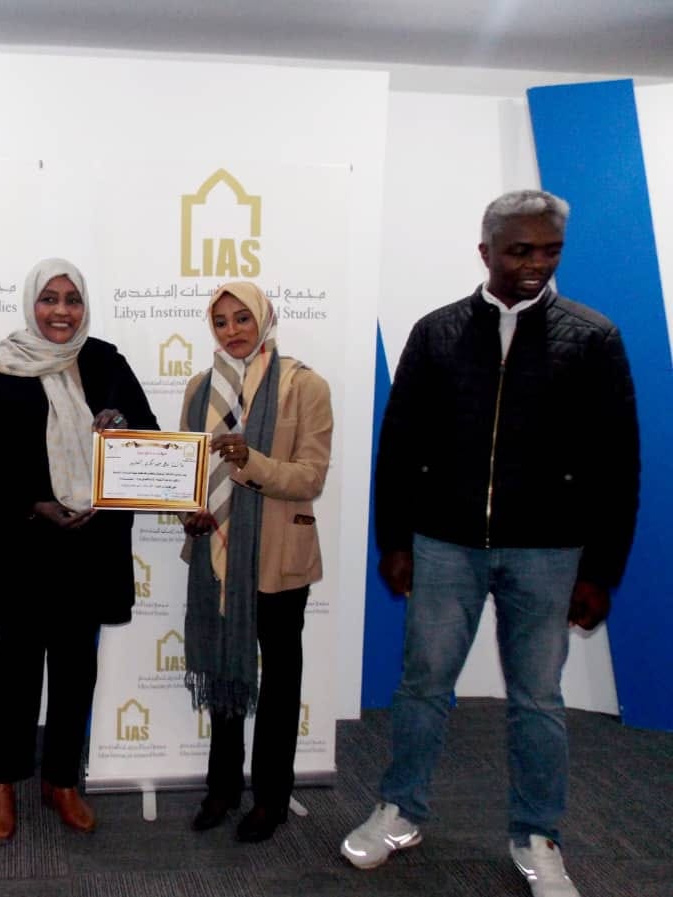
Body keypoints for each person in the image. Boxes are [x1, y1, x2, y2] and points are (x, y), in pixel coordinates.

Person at [341, 190, 640, 897]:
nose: (536, 263)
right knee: (423, 687)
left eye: (550, 250)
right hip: (445, 544)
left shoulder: (593, 337)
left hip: (550, 552)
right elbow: (400, 444)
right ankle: (400, 809)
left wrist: (601, 569)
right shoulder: (438, 332)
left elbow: (617, 460)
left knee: (538, 699)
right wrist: (395, 540)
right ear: (486, 251)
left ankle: (537, 834)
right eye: (520, 250)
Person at [0, 257, 158, 842]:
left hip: (88, 548)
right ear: (31, 304)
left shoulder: (106, 363)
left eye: (72, 299)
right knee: (15, 671)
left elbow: (146, 436)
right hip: (21, 546)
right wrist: (32, 502)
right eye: (49, 299)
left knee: (75, 669)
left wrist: (122, 430)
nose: (61, 311)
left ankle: (62, 780)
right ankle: (4, 782)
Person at [180, 281, 333, 843]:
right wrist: (190, 513)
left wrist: (251, 461)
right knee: (224, 667)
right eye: (221, 321)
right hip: (216, 553)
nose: (232, 331)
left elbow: (310, 477)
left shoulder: (304, 385)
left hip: (278, 559)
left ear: (265, 318)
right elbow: (187, 472)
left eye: (242, 318)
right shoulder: (200, 388)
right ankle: (221, 788)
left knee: (279, 681)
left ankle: (271, 797)